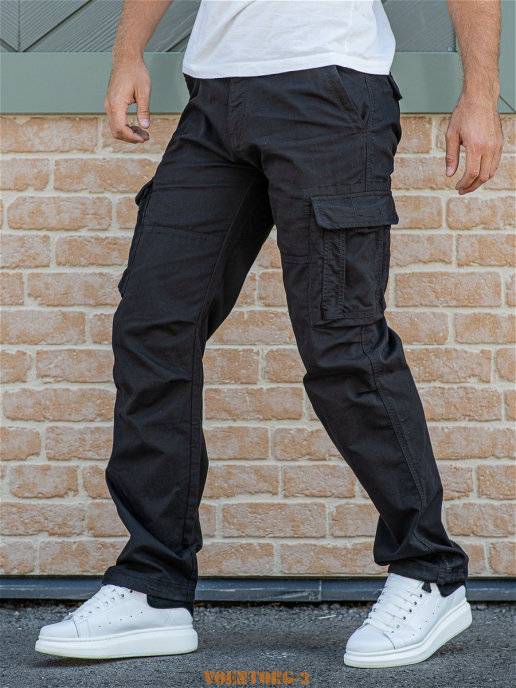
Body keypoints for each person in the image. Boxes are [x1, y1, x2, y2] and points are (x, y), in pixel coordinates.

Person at [36, 0, 503, 667]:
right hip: (215, 97)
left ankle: (429, 569)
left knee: (341, 341)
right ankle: (153, 584)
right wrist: (127, 54)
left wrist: (480, 96)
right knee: (152, 326)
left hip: (330, 91)